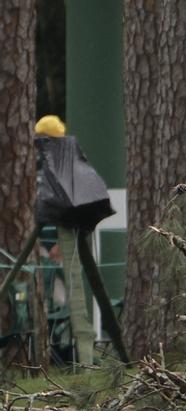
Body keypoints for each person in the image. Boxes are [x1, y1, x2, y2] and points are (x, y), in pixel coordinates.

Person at [34, 115, 96, 367]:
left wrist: (62, 242)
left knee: (65, 301)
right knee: (45, 300)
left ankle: (73, 356)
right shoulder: (42, 167)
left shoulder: (67, 165)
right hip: (39, 245)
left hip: (62, 245)